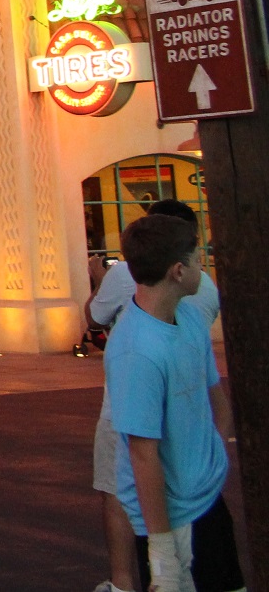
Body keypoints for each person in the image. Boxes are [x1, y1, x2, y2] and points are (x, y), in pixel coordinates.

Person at [90, 203, 225, 592]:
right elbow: (143, 454)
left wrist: (214, 455)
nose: (203, 269)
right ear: (178, 270)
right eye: (198, 261)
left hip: (206, 495)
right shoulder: (137, 351)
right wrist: (163, 554)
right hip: (175, 513)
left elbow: (211, 395)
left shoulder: (190, 321)